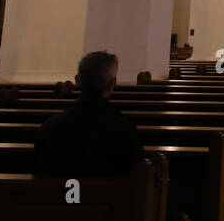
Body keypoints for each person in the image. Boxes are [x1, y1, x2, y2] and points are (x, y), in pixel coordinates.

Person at [34, 50, 144, 178]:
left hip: (61, 197)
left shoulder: (49, 128)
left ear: (77, 80)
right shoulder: (126, 131)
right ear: (112, 84)